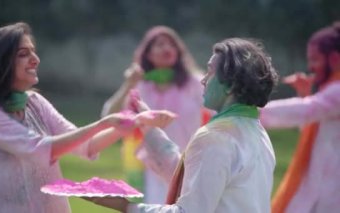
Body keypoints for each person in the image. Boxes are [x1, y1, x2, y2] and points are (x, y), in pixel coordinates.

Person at [0, 22, 175, 213]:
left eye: (33, 52)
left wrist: (135, 121)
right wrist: (105, 123)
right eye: (23, 54)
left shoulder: (34, 102)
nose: (35, 60)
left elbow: (87, 145)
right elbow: (40, 149)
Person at [87, 38, 279, 212]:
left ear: (229, 85)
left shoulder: (215, 137)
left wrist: (128, 207)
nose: (204, 80)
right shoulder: (257, 132)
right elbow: (193, 178)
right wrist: (148, 127)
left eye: (211, 72)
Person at [101, 26, 209, 203]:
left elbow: (219, 110)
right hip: (151, 169)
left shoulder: (194, 82)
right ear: (148, 54)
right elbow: (109, 115)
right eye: (160, 44)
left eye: (171, 44)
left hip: (189, 164)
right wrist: (129, 84)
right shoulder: (141, 86)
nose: (167, 48)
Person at [261, 21, 340, 213]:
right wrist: (305, 95)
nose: (310, 67)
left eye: (315, 60)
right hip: (321, 189)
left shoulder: (337, 91)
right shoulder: (330, 92)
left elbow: (308, 109)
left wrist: (249, 110)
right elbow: (314, 129)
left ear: (335, 60)